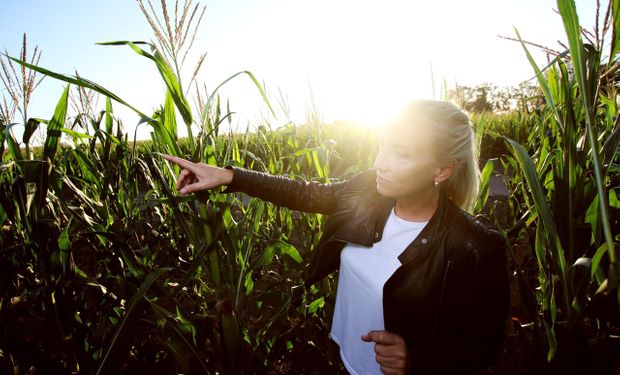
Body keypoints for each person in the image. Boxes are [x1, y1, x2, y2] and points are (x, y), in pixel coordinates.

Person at [162, 100, 510, 375]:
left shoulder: (475, 246)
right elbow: (309, 193)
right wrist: (228, 176)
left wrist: (418, 360)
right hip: (343, 353)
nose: (379, 163)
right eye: (382, 145)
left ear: (442, 170)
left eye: (400, 154)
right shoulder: (369, 190)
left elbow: (485, 346)